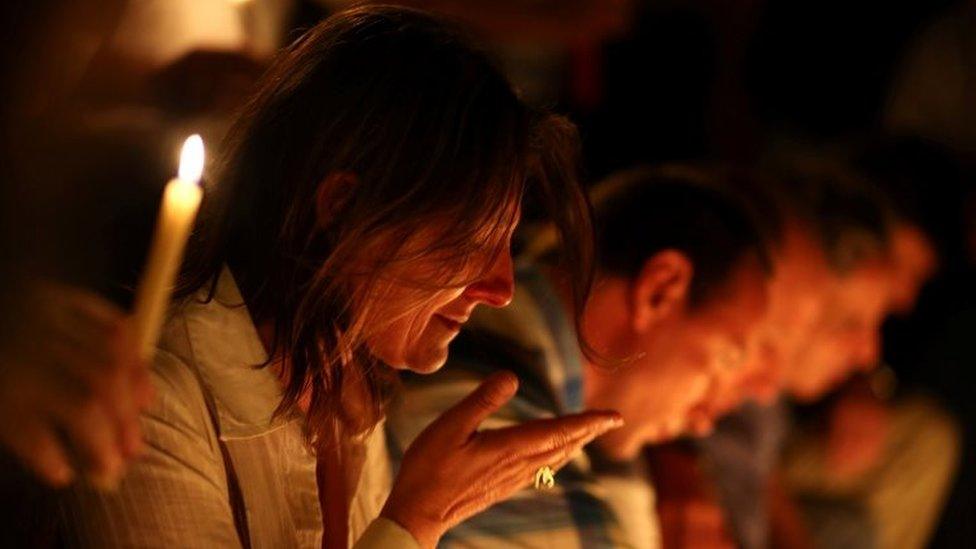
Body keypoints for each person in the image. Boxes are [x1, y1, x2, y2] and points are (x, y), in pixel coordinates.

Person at [58, 6, 624, 548]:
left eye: (505, 245)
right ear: (341, 208)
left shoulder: (350, 403)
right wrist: (419, 518)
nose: (500, 289)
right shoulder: (154, 404)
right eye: (469, 242)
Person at [386, 165, 772, 548]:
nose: (704, 421)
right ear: (660, 291)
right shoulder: (482, 400)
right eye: (726, 359)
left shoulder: (556, 410)